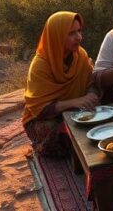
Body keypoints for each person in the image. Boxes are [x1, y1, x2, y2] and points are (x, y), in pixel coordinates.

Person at [22, 11, 101, 157]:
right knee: (61, 133)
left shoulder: (80, 56)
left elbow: (91, 82)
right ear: (56, 37)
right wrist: (75, 102)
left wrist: (91, 95)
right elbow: (41, 110)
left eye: (79, 31)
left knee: (103, 120)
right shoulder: (40, 65)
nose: (78, 37)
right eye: (71, 33)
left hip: (75, 113)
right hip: (45, 119)